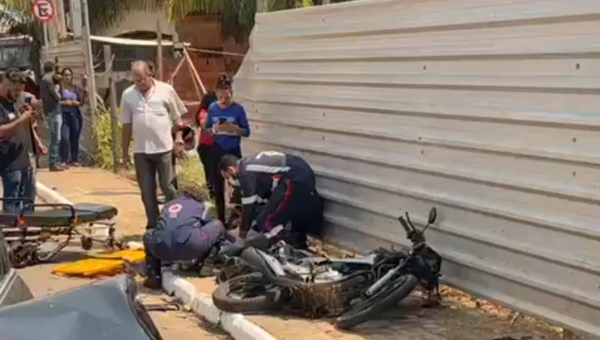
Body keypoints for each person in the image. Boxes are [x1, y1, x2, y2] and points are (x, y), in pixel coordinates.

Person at [120, 60, 187, 230]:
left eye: (142, 79)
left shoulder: (166, 90)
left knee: (168, 186)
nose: (139, 83)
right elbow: (126, 125)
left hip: (164, 148)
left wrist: (179, 139)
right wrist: (125, 152)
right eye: (136, 80)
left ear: (150, 75)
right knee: (147, 191)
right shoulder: (128, 95)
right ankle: (154, 225)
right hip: (141, 151)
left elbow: (178, 119)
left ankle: (175, 221)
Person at [219, 151, 324, 248]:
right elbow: (260, 196)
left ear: (231, 170)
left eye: (228, 177)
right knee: (266, 218)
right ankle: (296, 240)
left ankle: (290, 244)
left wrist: (241, 238)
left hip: (295, 177)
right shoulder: (248, 164)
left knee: (269, 221)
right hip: (298, 171)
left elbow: (248, 208)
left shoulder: (245, 173)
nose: (230, 181)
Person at [142, 190, 233, 289]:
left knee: (148, 235)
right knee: (217, 225)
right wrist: (230, 238)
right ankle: (208, 265)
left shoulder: (167, 206)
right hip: (190, 247)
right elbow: (208, 227)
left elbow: (163, 228)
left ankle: (154, 276)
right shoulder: (200, 206)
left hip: (161, 250)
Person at [205, 74, 250, 224]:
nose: (224, 99)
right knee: (217, 184)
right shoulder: (212, 108)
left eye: (227, 95)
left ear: (231, 93)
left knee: (236, 185)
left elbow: (246, 132)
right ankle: (220, 219)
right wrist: (214, 129)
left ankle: (236, 217)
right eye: (220, 95)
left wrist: (234, 128)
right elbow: (206, 129)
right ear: (216, 92)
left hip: (233, 149)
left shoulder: (238, 109)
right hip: (217, 148)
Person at [0, 70, 38, 212]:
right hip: (9, 164)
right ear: (4, 85)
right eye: (15, 90)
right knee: (12, 203)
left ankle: (25, 230)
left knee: (27, 202)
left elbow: (16, 122)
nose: (18, 93)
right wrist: (22, 119)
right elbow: (2, 130)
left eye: (21, 90)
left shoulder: (13, 103)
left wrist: (24, 115)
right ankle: (11, 231)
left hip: (23, 160)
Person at [39, 61, 64, 172]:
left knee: (56, 137)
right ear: (53, 68)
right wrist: (58, 87)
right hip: (53, 111)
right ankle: (53, 162)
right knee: (56, 138)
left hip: (50, 110)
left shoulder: (44, 79)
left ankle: (56, 161)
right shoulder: (48, 80)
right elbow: (57, 96)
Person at [58, 67, 83, 167]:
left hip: (75, 115)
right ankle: (63, 159)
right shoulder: (59, 89)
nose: (67, 77)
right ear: (62, 76)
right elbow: (56, 101)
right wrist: (65, 102)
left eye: (69, 75)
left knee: (75, 137)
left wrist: (76, 102)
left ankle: (74, 159)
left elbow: (82, 102)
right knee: (64, 137)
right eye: (65, 75)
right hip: (64, 115)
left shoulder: (75, 88)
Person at [196, 92, 218, 198]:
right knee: (210, 173)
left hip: (215, 147)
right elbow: (204, 124)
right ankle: (212, 196)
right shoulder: (204, 112)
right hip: (206, 148)